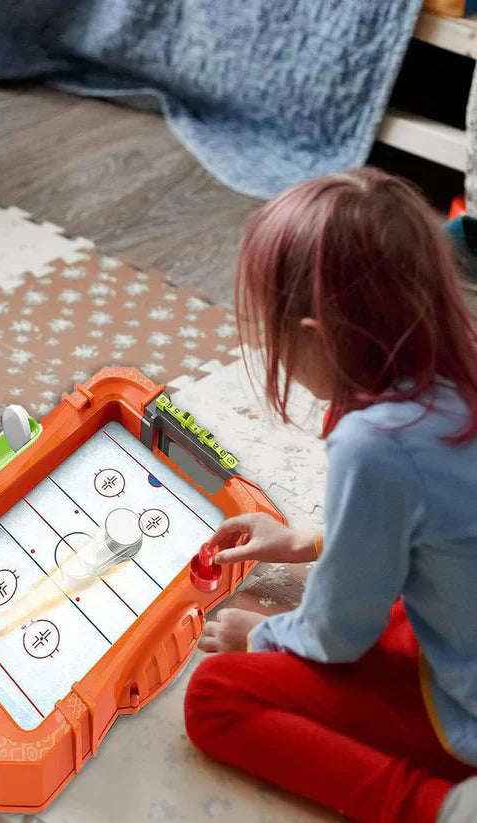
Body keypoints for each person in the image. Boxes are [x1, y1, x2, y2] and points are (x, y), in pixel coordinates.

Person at [184, 168, 477, 823]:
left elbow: (337, 633)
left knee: (215, 694)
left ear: (318, 335)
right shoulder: (457, 364)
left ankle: (439, 806)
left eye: (273, 333)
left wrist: (265, 635)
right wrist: (303, 541)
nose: (271, 353)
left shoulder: (375, 442)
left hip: (464, 713)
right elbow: (441, 518)